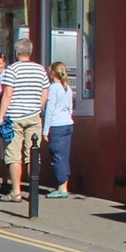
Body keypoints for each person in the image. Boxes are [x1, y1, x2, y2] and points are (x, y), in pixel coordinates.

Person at [0, 40, 50, 199]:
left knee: (13, 154)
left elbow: (7, 94)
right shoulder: (40, 70)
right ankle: (33, 190)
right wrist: (37, 108)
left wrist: (0, 116)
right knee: (33, 154)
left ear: (16, 52)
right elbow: (45, 94)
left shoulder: (11, 70)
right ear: (31, 52)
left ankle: (16, 191)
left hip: (14, 116)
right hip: (33, 116)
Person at [43, 60, 75, 196]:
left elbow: (50, 110)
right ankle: (64, 186)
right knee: (64, 156)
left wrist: (45, 130)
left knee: (57, 156)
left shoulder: (54, 88)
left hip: (57, 125)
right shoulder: (67, 88)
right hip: (68, 124)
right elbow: (70, 108)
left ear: (53, 73)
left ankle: (61, 188)